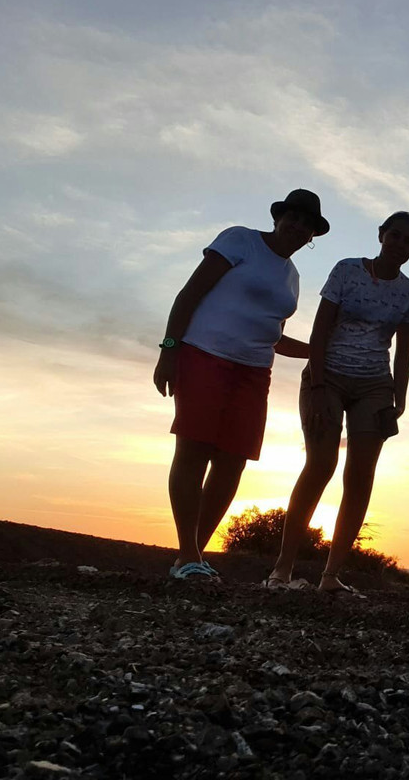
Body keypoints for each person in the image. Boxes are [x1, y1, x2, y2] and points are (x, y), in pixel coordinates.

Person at [153, 189, 327, 580]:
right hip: (203, 355)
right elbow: (191, 293)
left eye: (307, 224)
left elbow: (274, 337)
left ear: (312, 235)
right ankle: (189, 553)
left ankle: (191, 557)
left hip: (253, 371)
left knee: (232, 463)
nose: (298, 227)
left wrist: (320, 351)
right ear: (278, 218)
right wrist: (169, 349)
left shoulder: (293, 278)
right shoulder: (240, 240)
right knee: (193, 451)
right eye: (293, 218)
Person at [266, 211, 409, 593]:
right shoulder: (347, 269)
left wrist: (398, 401)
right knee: (321, 464)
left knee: (360, 476)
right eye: (395, 235)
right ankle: (282, 569)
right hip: (329, 376)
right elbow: (321, 328)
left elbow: (403, 352)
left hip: (374, 386)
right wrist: (317, 384)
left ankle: (331, 575)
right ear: (381, 235)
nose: (400, 244)